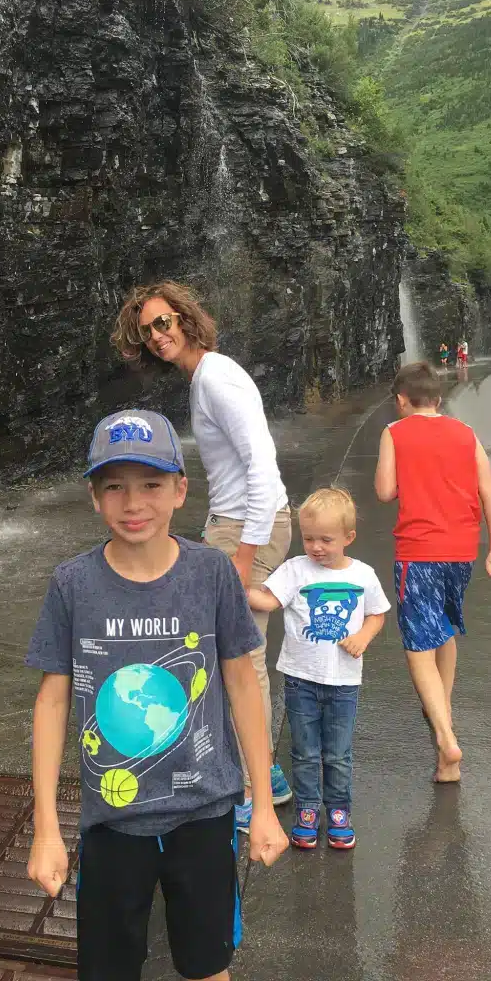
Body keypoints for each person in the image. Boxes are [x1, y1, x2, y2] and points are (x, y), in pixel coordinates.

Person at [26, 409, 288, 981]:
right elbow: (51, 702)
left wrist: (262, 805)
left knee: (208, 964)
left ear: (180, 490)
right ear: (94, 497)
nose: (133, 503)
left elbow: (243, 683)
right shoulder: (73, 584)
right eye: (114, 486)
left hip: (206, 815)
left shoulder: (212, 573)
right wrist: (47, 829)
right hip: (112, 824)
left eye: (150, 484)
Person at [111, 282, 293, 831]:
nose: (158, 336)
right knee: (229, 653)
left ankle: (254, 788)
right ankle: (263, 776)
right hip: (235, 524)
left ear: (187, 319)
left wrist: (243, 554)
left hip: (248, 528)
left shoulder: (217, 376)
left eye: (164, 323)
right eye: (147, 330)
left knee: (240, 657)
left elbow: (263, 464)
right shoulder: (204, 378)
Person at [374, 362, 491, 783]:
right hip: (462, 552)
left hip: (419, 551)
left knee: (418, 645)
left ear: (401, 400)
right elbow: (488, 491)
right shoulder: (465, 433)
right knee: (446, 627)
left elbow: (384, 491)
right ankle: (444, 709)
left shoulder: (395, 432)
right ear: (437, 397)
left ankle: (445, 737)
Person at [247, 488, 390, 850]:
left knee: (338, 753)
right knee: (305, 751)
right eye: (309, 538)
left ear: (348, 538)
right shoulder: (295, 570)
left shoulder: (363, 575)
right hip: (300, 680)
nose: (316, 547)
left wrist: (363, 636)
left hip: (344, 683)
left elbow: (378, 613)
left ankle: (339, 809)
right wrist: (234, 585)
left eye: (326, 539)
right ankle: (308, 810)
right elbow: (269, 600)